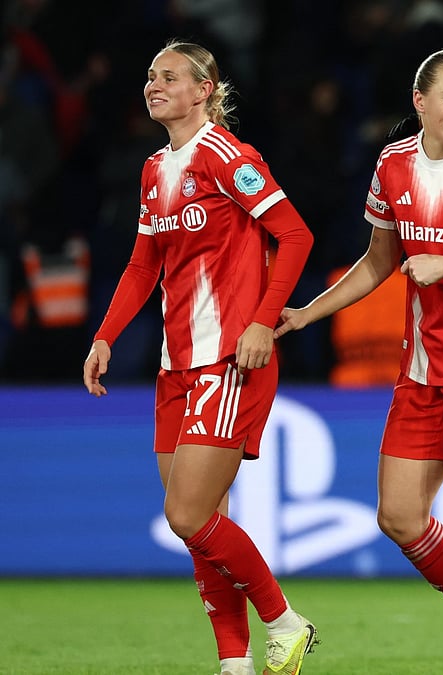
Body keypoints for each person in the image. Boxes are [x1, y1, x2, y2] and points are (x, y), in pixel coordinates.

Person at [273, 49, 443, 675]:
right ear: (420, 102)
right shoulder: (392, 167)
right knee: (398, 517)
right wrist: (309, 314)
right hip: (423, 368)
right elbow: (378, 260)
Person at [82, 40, 317, 675]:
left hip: (229, 359)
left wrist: (263, 322)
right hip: (174, 362)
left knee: (186, 513)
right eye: (150, 76)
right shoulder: (155, 168)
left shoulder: (227, 157)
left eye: (169, 77)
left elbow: (296, 234)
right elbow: (142, 264)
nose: (153, 85)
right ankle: (234, 664)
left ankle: (286, 621)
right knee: (201, 525)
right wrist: (105, 335)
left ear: (204, 88)